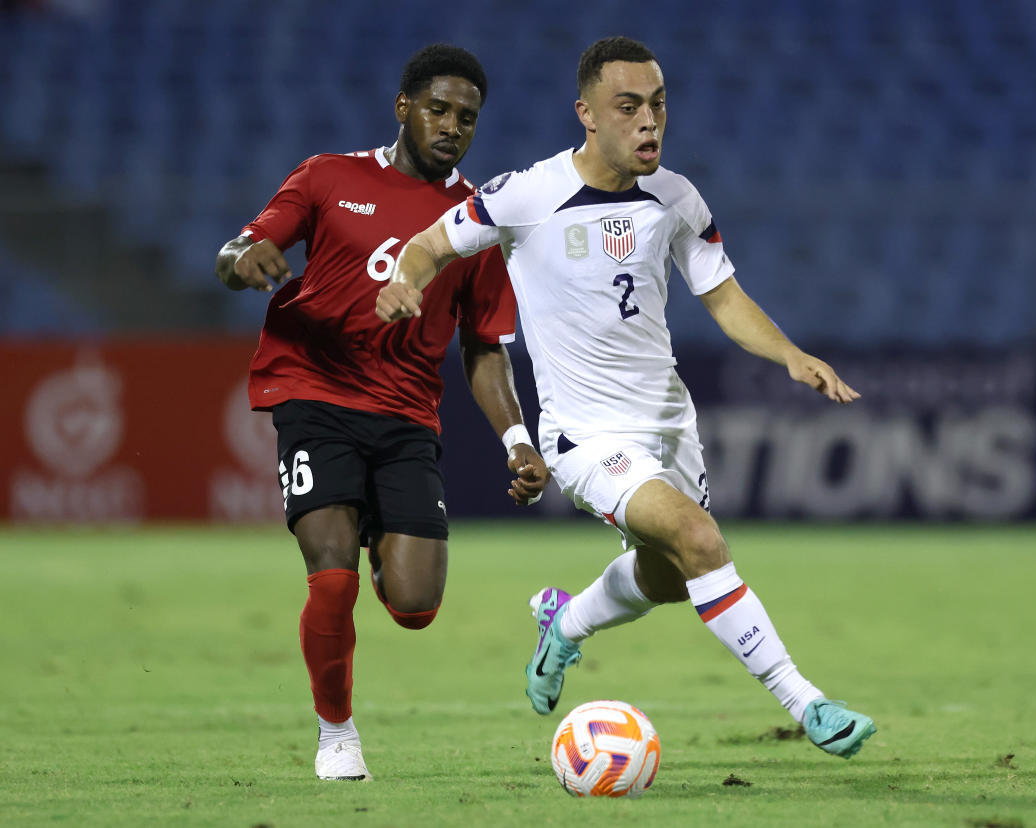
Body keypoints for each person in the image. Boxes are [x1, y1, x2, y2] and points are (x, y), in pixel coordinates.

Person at [376, 36, 877, 758]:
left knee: (671, 578)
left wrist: (792, 355)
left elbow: (725, 297)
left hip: (670, 427)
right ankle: (810, 704)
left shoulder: (677, 198)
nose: (650, 122)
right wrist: (406, 278)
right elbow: (429, 243)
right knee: (701, 540)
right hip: (585, 436)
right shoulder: (526, 195)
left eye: (659, 105)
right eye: (629, 107)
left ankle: (566, 625)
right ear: (587, 114)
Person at [214, 44, 549, 780]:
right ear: (404, 108)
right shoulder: (329, 177)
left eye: (467, 117)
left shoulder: (475, 226)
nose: (452, 126)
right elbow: (243, 245)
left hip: (405, 420)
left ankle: (372, 526)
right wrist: (243, 259)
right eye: (439, 109)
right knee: (329, 575)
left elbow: (484, 349)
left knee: (415, 604)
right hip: (315, 395)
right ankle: (337, 735)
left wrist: (517, 440)